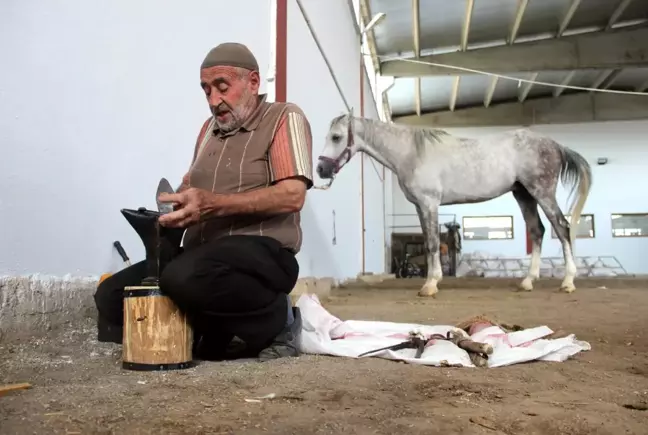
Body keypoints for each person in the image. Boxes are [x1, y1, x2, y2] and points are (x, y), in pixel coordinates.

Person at [94, 42, 313, 362]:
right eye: (206, 90)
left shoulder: (282, 116)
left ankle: (279, 320)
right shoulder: (208, 130)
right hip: (205, 258)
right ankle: (216, 329)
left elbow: (293, 195)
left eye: (222, 87)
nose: (213, 100)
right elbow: (191, 186)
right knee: (113, 296)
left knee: (183, 278)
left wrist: (213, 204)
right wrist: (172, 211)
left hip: (263, 254)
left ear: (253, 82)